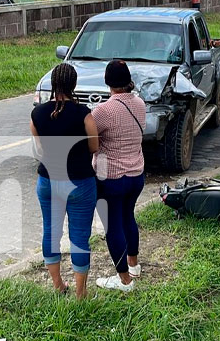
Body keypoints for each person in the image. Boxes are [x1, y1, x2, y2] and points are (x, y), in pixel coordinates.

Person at [30, 63, 99, 299]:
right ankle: (81, 293)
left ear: (53, 84)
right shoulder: (84, 114)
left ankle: (58, 285)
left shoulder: (37, 114)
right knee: (79, 237)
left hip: (48, 182)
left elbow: (39, 150)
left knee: (50, 232)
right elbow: (94, 146)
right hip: (79, 183)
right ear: (74, 85)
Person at [92, 60, 146, 292]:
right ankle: (133, 265)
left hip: (111, 178)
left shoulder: (103, 111)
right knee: (128, 219)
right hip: (136, 175)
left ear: (107, 82)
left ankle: (124, 280)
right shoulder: (140, 104)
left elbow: (88, 136)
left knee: (113, 226)